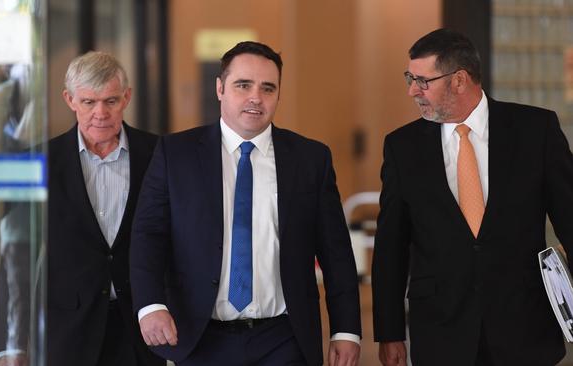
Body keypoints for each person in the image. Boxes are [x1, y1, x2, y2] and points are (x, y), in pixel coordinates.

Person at [129, 41, 362, 366]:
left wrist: (346, 331)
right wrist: (151, 305)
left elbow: (335, 251)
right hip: (200, 337)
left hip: (284, 339)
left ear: (278, 95)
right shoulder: (175, 154)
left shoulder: (311, 159)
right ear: (220, 88)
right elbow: (148, 236)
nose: (256, 97)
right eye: (243, 85)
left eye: (268, 88)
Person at [371, 28, 573, 366]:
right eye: (410, 78)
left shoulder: (536, 130)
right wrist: (389, 332)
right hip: (440, 331)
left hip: (525, 327)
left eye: (423, 81)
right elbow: (391, 246)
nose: (412, 91)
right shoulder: (402, 147)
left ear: (459, 80)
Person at [0, 51, 165, 366]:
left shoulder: (160, 154)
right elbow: (15, 260)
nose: (100, 113)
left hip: (140, 330)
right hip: (66, 333)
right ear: (69, 100)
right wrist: (10, 344)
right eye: (88, 102)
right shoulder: (32, 164)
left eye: (111, 101)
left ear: (126, 97)